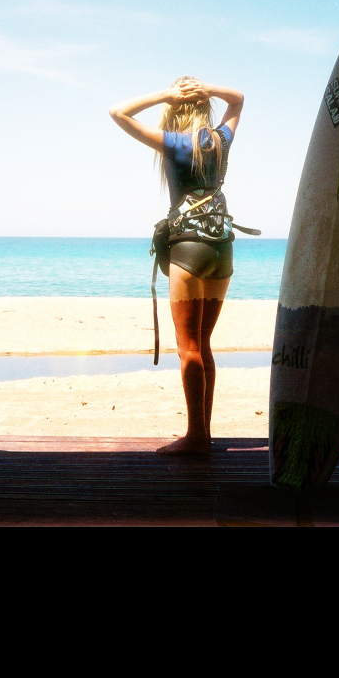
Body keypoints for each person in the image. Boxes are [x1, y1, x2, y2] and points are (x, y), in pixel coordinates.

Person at [109, 76, 244, 455]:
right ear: (203, 105)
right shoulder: (220, 139)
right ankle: (203, 433)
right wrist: (211, 89)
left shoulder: (174, 142)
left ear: (174, 109)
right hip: (222, 247)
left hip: (188, 247)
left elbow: (117, 112)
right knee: (204, 344)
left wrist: (165, 95)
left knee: (188, 347)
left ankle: (196, 437)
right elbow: (238, 99)